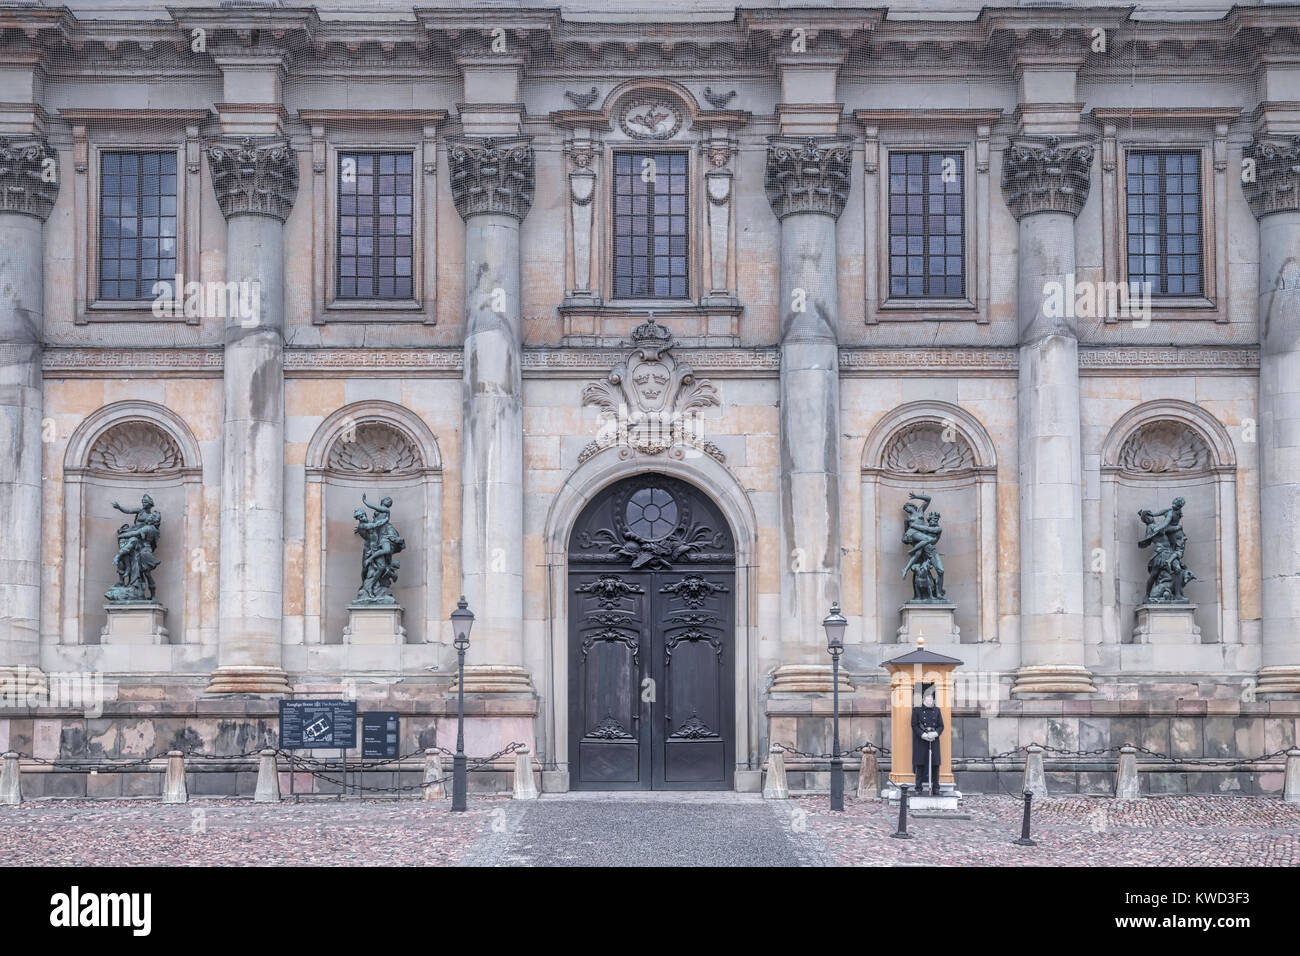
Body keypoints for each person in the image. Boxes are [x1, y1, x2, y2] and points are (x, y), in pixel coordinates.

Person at [911, 683, 944, 796]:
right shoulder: (917, 710)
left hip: (934, 740)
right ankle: (918, 788)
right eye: (928, 697)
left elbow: (941, 726)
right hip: (921, 740)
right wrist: (922, 735)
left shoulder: (937, 710)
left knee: (935, 765)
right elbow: (914, 725)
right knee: (920, 764)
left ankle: (936, 788)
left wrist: (935, 733)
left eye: (931, 697)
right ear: (924, 699)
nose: (930, 699)